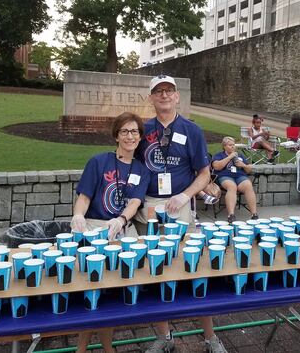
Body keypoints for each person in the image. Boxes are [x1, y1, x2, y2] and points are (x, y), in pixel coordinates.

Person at [135, 75, 227, 353]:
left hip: (180, 204)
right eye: (158, 91)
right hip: (149, 206)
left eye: (169, 91)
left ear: (177, 96)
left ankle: (211, 337)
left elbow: (204, 173)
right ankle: (165, 337)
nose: (164, 95)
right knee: (156, 272)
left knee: (192, 269)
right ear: (150, 97)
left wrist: (185, 195)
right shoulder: (140, 129)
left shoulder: (191, 130)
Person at [71, 112, 151, 353]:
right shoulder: (99, 161)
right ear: (116, 136)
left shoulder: (141, 169)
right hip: (94, 229)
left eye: (134, 131)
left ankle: (108, 347)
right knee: (91, 290)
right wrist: (78, 215)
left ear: (140, 137)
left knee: (111, 294)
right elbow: (84, 197)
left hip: (120, 231)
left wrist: (121, 219)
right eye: (125, 131)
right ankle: (82, 348)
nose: (130, 136)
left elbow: (135, 202)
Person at [211, 136, 259, 223]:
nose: (233, 147)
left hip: (240, 176)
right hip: (225, 176)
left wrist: (243, 165)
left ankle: (254, 214)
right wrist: (229, 157)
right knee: (232, 186)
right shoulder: (219, 155)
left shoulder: (240, 155)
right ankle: (231, 215)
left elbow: (249, 169)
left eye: (233, 145)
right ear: (224, 146)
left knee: (248, 185)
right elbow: (216, 167)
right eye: (230, 145)